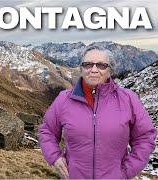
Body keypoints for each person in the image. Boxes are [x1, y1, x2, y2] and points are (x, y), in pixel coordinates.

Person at [38, 45, 157, 179]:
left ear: (109, 71)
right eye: (88, 64)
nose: (94, 70)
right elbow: (47, 131)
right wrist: (55, 157)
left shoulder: (128, 99)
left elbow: (145, 137)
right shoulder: (64, 99)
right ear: (81, 69)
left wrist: (126, 171)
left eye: (101, 65)